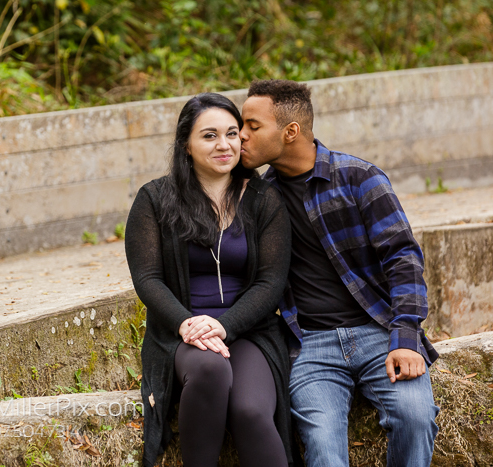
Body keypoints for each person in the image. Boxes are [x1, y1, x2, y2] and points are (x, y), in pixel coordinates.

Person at [238, 79, 439, 467]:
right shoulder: (259, 199)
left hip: (377, 332)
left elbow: (403, 258)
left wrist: (406, 336)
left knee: (415, 418)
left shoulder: (360, 179)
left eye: (252, 126)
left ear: (290, 131)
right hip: (310, 344)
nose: (241, 136)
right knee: (324, 447)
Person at [125, 92, 295, 467]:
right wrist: (186, 323)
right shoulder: (154, 200)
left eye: (232, 134)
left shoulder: (264, 200)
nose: (224, 145)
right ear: (186, 145)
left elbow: (270, 282)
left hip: (249, 330)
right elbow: (148, 278)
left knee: (251, 411)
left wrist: (223, 325)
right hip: (180, 334)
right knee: (210, 368)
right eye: (209, 135)